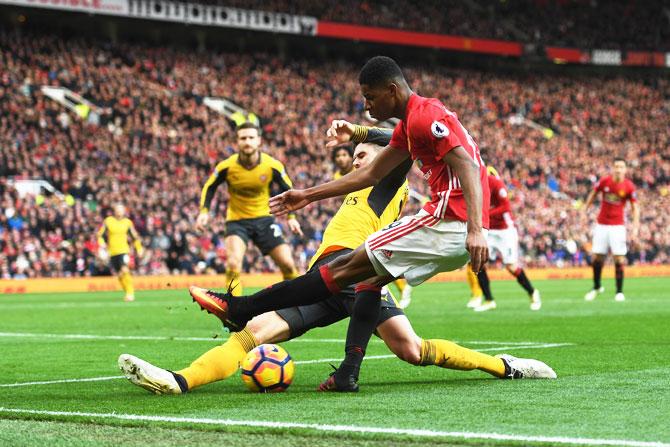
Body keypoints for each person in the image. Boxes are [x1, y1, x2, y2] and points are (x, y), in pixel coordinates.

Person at [119, 140, 555, 395]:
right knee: (254, 334)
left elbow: (398, 139)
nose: (357, 158)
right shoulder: (356, 183)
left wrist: (364, 132)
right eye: (355, 154)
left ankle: (504, 366)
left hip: (357, 269)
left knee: (411, 349)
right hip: (337, 278)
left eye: (365, 153)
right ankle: (180, 380)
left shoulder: (390, 179)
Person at [188, 55, 501, 392]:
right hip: (452, 224)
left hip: (448, 219)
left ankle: (241, 306)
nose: (365, 104)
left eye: (369, 96)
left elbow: (466, 165)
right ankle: (348, 373)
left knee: (342, 272)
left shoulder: (422, 121)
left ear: (392, 90)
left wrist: (476, 229)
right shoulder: (415, 123)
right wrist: (307, 194)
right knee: (377, 296)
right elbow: (370, 171)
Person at [196, 121, 303, 296]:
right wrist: (204, 212)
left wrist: (291, 218)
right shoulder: (227, 166)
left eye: (251, 138)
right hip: (237, 221)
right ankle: (235, 312)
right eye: (243, 138)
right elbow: (209, 186)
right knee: (233, 264)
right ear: (236, 142)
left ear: (259, 140)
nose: (247, 142)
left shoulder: (272, 165)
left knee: (288, 264)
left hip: (264, 219)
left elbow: (289, 192)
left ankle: (295, 302)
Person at [332, 142, 414, 307]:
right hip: (361, 223)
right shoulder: (338, 177)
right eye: (338, 156)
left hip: (376, 224)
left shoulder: (382, 173)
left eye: (344, 155)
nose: (341, 159)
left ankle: (393, 294)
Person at [470, 166, 541, 312]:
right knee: (477, 262)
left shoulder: (496, 184)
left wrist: (485, 213)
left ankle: (533, 292)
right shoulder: (474, 183)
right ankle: (489, 300)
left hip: (504, 231)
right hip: (489, 229)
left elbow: (505, 207)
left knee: (511, 266)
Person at [582, 159, 640, 302]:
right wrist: (584, 210)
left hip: (617, 226)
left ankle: (619, 292)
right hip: (601, 225)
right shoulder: (604, 182)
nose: (618, 169)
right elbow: (593, 194)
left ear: (625, 169)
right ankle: (596, 287)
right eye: (616, 166)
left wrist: (635, 227)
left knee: (619, 258)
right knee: (597, 257)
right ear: (612, 168)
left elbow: (635, 207)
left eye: (621, 167)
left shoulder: (629, 186)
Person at [96, 203, 143, 302]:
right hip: (112, 252)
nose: (119, 211)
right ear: (114, 210)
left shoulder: (127, 223)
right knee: (120, 275)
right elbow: (100, 235)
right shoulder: (108, 221)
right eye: (117, 209)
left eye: (121, 209)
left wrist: (139, 248)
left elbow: (135, 237)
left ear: (124, 211)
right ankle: (127, 292)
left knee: (125, 270)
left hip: (124, 251)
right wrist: (102, 243)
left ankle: (130, 293)